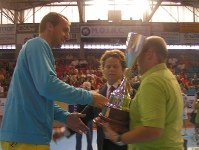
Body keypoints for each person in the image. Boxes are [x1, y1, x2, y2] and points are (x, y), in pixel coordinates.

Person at [0, 12, 108, 150]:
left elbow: (41, 97)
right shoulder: (38, 44)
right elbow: (47, 86)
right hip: (26, 136)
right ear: (49, 26)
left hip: (26, 136)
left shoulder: (38, 49)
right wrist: (89, 96)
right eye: (65, 30)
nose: (68, 36)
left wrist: (65, 116)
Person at [102, 36, 184, 150]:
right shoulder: (167, 77)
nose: (136, 60)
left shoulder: (152, 82)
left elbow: (153, 130)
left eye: (138, 54)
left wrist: (118, 138)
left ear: (149, 53)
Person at [53, 49, 128, 150]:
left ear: (123, 69)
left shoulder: (130, 92)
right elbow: (84, 118)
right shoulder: (99, 94)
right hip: (103, 146)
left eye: (115, 66)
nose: (111, 69)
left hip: (127, 145)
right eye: (108, 66)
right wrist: (63, 132)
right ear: (103, 69)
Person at [75, 82, 93, 150]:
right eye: (85, 86)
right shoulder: (79, 93)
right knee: (78, 136)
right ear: (82, 86)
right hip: (79, 117)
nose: (87, 87)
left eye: (88, 86)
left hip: (88, 118)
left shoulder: (91, 94)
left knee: (89, 137)